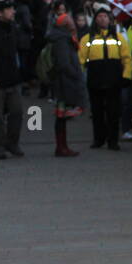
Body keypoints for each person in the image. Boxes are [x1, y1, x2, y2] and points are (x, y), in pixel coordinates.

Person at [78, 8, 132, 150]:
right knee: (97, 112)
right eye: (100, 16)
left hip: (114, 79)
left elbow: (127, 58)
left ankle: (113, 141)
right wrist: (79, 78)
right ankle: (98, 139)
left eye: (105, 16)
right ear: (95, 19)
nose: (102, 19)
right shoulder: (87, 38)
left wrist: (127, 75)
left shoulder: (118, 37)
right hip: (95, 79)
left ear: (109, 19)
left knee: (113, 112)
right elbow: (80, 60)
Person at [0, 0, 26, 159]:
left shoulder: (13, 29)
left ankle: (12, 142)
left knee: (17, 112)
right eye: (9, 9)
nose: (13, 12)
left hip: (12, 79)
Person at [46, 11, 86, 157]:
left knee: (62, 116)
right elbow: (63, 63)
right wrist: (75, 75)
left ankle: (62, 145)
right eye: (70, 20)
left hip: (63, 82)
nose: (73, 22)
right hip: (63, 83)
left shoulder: (62, 37)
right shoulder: (62, 40)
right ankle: (61, 147)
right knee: (61, 116)